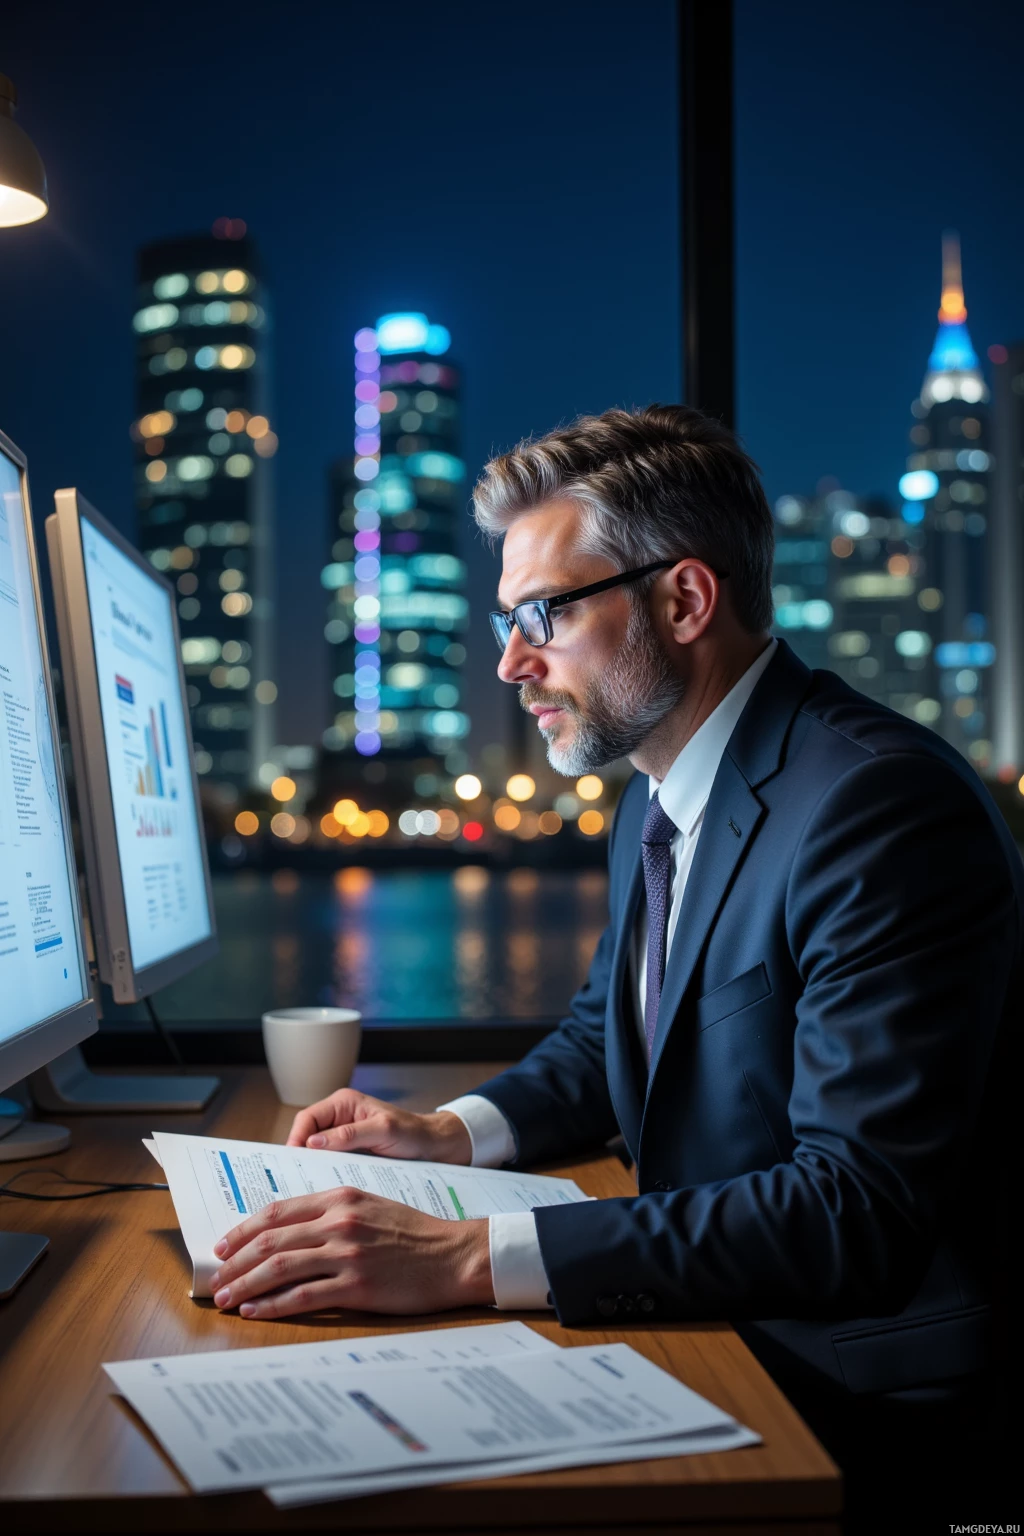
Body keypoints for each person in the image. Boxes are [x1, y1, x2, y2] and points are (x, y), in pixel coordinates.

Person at [209, 406, 1019, 1508]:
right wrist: (451, 1132)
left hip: (858, 1400)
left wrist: (462, 1258)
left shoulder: (875, 805)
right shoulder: (659, 788)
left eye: (542, 612)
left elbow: (853, 1209)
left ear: (683, 600)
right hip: (718, 1322)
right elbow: (610, 1037)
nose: (508, 662)